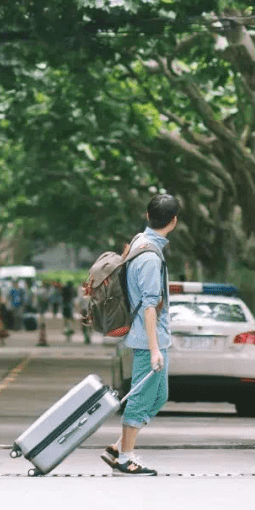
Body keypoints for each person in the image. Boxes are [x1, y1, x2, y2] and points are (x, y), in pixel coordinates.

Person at [101, 192, 179, 476]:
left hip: (156, 337)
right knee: (141, 397)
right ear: (173, 221)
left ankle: (117, 447)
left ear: (148, 216)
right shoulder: (149, 256)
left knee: (159, 396)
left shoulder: (140, 242)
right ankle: (125, 458)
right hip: (148, 339)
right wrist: (154, 347)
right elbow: (149, 306)